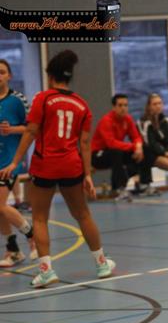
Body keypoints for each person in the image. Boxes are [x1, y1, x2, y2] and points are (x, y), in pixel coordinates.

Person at [0, 50, 116, 288]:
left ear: (50, 76)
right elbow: (85, 143)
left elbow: (31, 132)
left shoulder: (43, 99)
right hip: (72, 165)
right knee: (83, 215)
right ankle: (102, 264)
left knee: (39, 218)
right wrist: (87, 174)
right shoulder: (82, 104)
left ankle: (46, 271)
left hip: (45, 165)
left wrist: (14, 161)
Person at [0, 59, 37, 267]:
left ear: (9, 76)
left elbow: (32, 128)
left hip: (10, 161)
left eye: (2, 72)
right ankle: (13, 250)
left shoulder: (17, 100)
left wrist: (12, 129)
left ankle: (32, 236)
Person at [91, 94, 150, 200]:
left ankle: (143, 184)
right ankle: (119, 189)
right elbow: (111, 143)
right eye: (120, 105)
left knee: (144, 149)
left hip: (115, 152)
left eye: (126, 105)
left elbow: (136, 137)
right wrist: (133, 146)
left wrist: (138, 146)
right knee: (116, 152)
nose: (123, 108)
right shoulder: (106, 120)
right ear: (114, 107)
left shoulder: (128, 119)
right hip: (97, 155)